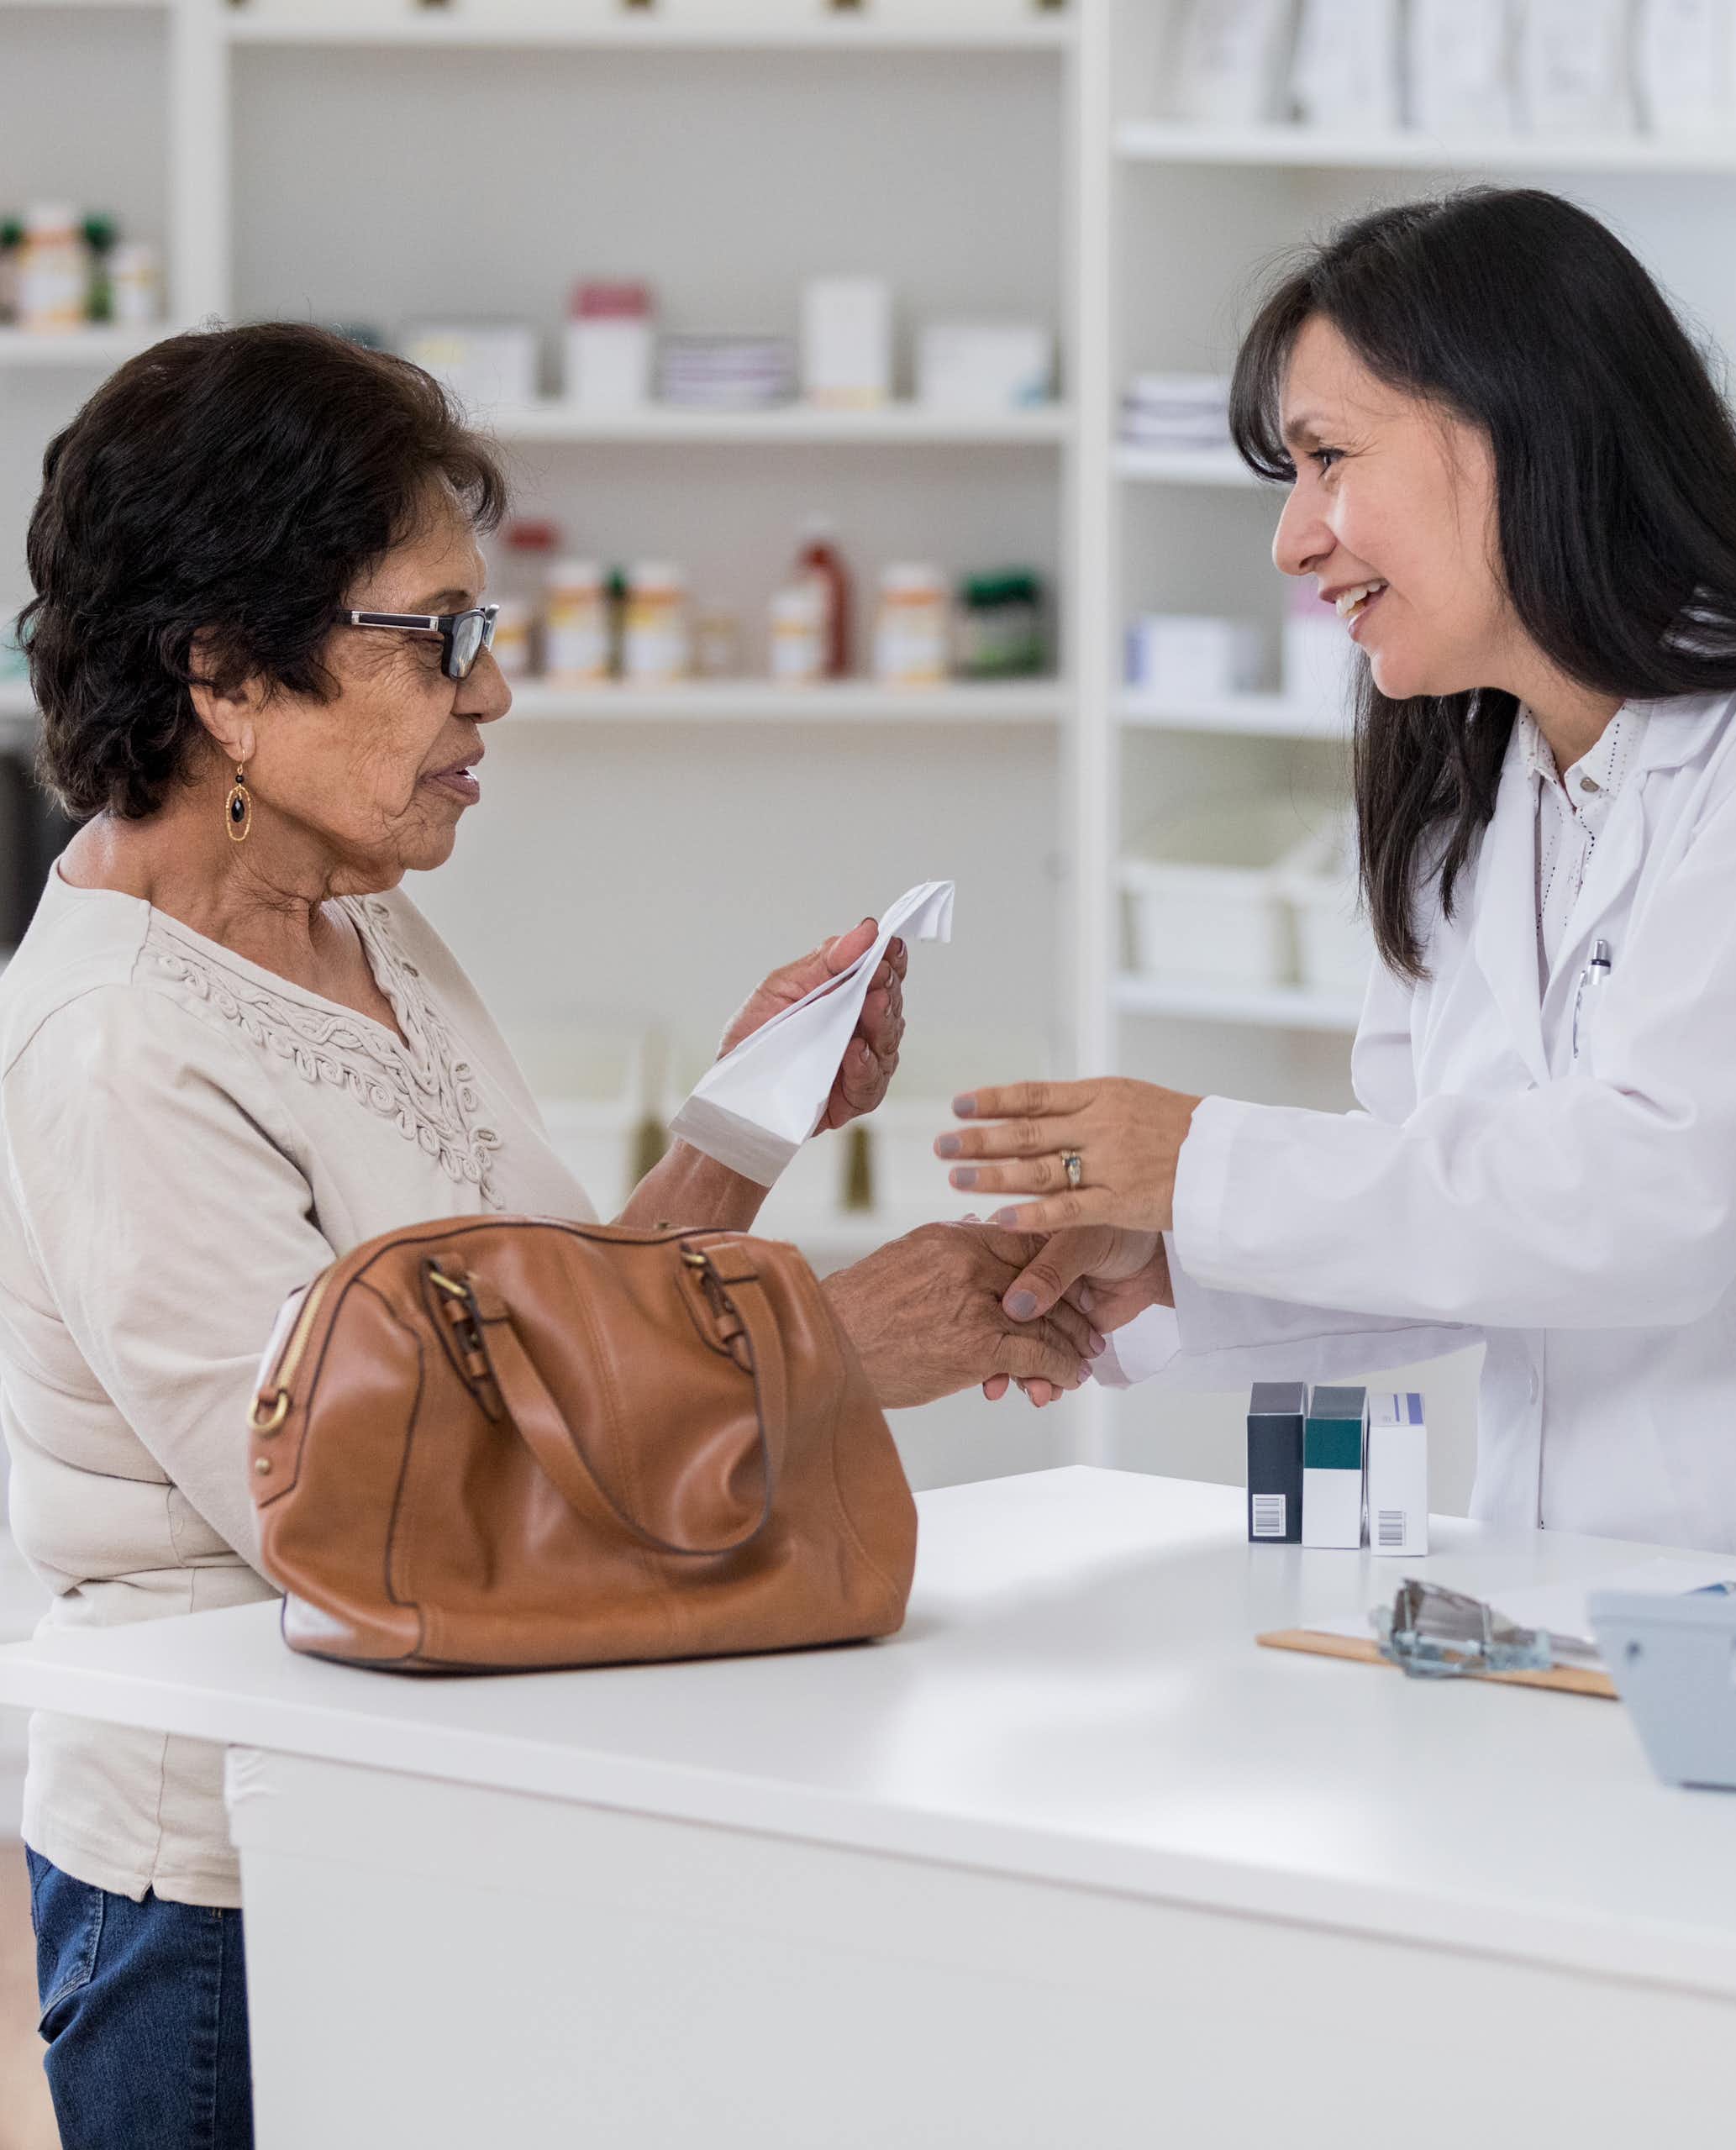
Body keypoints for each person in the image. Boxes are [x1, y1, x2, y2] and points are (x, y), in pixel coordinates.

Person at [0, 322, 1097, 2149]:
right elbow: (395, 1510)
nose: (489, 692)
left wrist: (742, 1126)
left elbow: (544, 1349)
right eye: (433, 636)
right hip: (233, 1901)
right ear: (225, 673)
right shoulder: (120, 1041)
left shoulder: (357, 922)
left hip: (432, 1820)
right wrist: (836, 1344)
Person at [937, 188, 1736, 1568]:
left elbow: (1656, 1199)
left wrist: (1200, 1159)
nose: (1295, 540)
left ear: (1520, 430)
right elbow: (1461, 1224)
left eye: (1330, 458)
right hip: (1565, 1582)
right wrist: (1162, 1263)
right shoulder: (1480, 788)